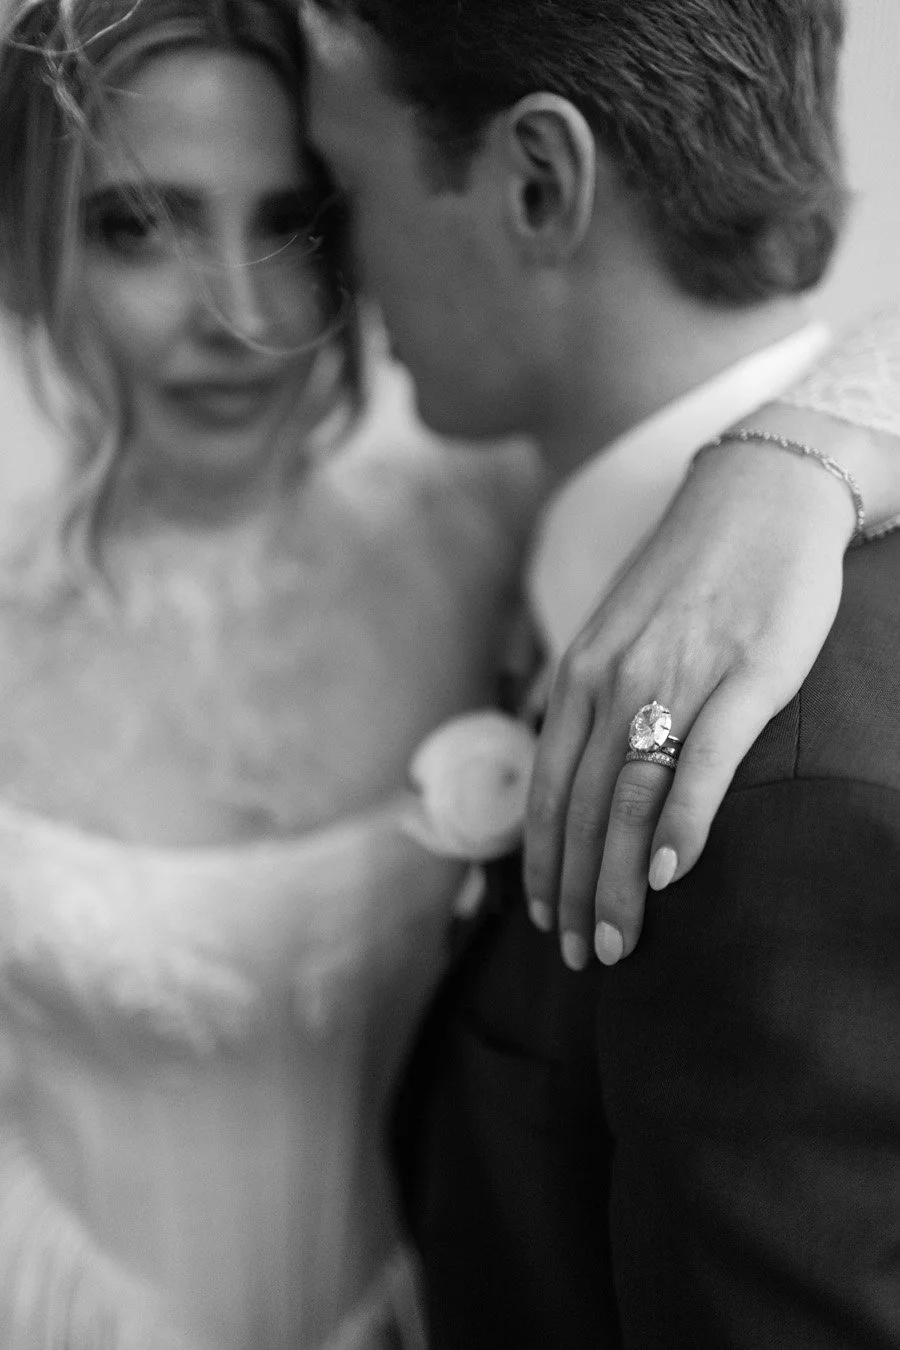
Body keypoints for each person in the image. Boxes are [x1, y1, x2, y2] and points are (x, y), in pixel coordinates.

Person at [303, 0, 900, 1345]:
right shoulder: (514, 536)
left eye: (349, 187)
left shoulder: (777, 777)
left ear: (538, 183)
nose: (337, 268)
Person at [0, 0, 540, 1343]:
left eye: (293, 218)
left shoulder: (481, 530)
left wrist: (790, 480)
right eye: (138, 225)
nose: (237, 314)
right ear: (26, 247)